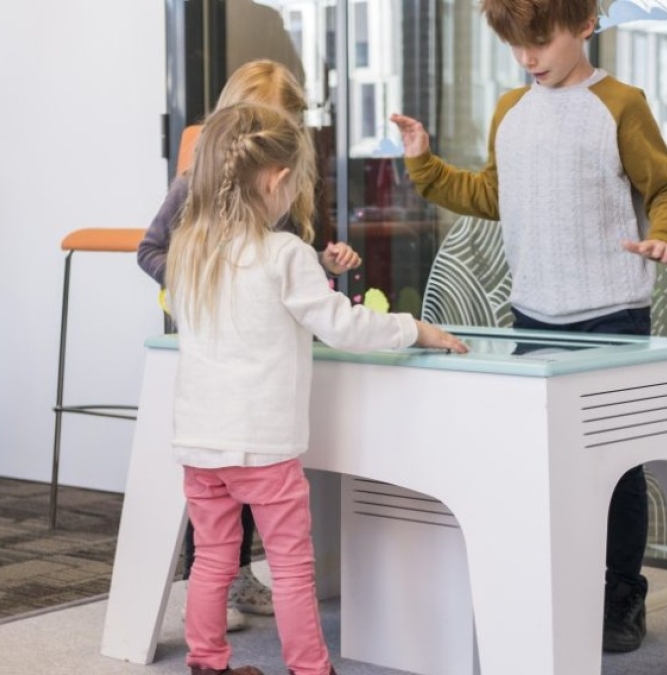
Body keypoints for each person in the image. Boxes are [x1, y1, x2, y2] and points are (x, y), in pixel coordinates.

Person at [389, 0, 667, 654]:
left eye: (541, 40)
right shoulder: (510, 112)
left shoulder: (621, 104)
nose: (529, 58)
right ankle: (556, 581)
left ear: (585, 23)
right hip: (533, 314)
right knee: (543, 463)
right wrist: (424, 163)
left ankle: (620, 592)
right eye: (516, 44)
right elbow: (493, 197)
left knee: (618, 466)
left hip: (611, 316)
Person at [169, 102, 467, 675]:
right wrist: (415, 329)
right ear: (277, 180)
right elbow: (343, 326)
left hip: (199, 443)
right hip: (264, 445)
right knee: (290, 565)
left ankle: (207, 663)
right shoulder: (285, 254)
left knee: (211, 558)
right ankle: (310, 668)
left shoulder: (189, 252)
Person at [139, 59, 360, 632]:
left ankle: (228, 588)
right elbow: (151, 251)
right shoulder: (194, 185)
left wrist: (320, 263)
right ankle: (224, 576)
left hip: (264, 346)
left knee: (253, 466)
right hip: (213, 332)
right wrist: (203, 279)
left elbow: (280, 267)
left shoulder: (291, 187)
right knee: (222, 476)